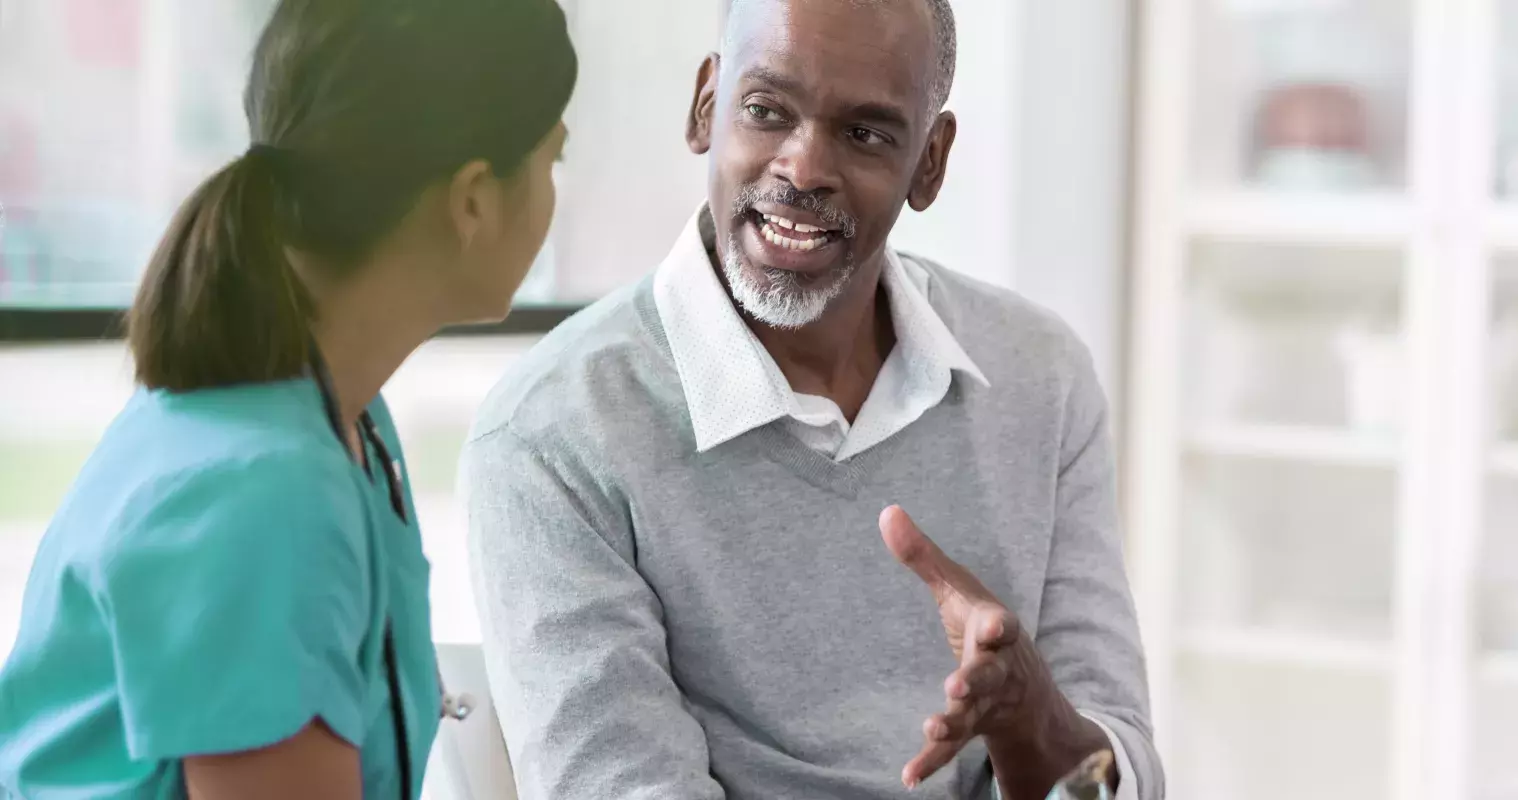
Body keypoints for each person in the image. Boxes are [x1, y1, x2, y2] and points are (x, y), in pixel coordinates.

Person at [462, 0, 1161, 798]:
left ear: (929, 163)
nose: (802, 168)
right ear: (705, 107)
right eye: (766, 111)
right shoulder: (553, 434)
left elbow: (1119, 771)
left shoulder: (1040, 377)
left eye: (864, 133)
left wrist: (1030, 718)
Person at [0, 1, 574, 797]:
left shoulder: (344, 417)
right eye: (553, 161)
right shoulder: (262, 499)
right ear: (474, 197)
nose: (553, 192)